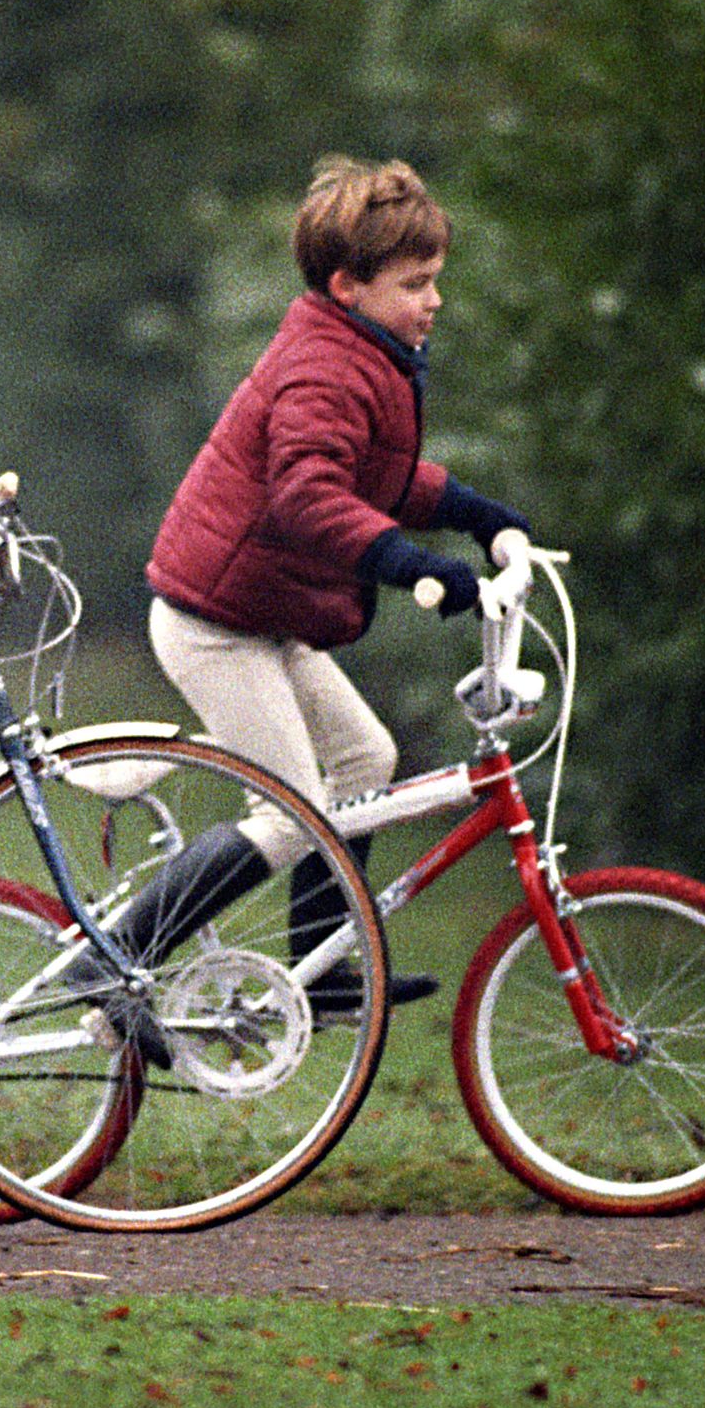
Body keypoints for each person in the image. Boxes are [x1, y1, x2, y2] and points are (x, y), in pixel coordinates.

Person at [127, 156, 532, 1016]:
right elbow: (310, 496)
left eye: (436, 281)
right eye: (416, 284)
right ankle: (117, 961)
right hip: (215, 623)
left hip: (263, 614)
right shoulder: (326, 367)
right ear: (349, 286)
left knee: (364, 760)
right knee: (289, 815)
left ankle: (322, 969)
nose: (434, 301)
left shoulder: (362, 353)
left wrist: (473, 512)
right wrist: (415, 564)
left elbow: (374, 474)